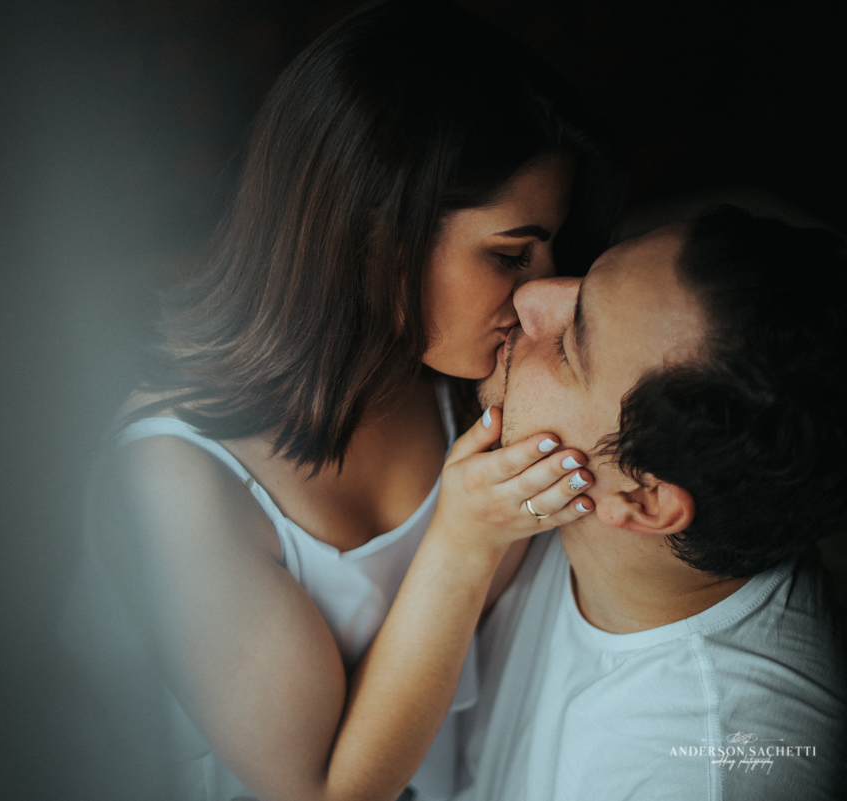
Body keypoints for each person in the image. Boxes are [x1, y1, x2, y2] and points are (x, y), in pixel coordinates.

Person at [57, 1, 621, 800]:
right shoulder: (174, 479)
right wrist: (461, 540)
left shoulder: (466, 382)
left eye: (550, 248)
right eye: (508, 254)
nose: (542, 291)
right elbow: (317, 790)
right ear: (373, 237)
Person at [443, 205, 846, 800]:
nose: (530, 296)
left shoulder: (690, 774)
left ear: (643, 499)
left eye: (569, 347)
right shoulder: (589, 513)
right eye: (586, 279)